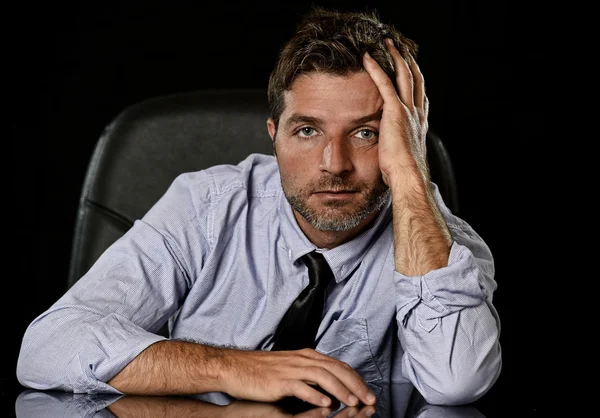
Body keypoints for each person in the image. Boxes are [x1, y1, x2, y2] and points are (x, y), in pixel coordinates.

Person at [16, 6, 501, 410]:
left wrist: (411, 179)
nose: (334, 164)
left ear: (404, 141)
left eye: (366, 133)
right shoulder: (206, 206)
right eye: (307, 131)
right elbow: (46, 348)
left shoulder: (442, 239)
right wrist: (234, 367)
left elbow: (458, 380)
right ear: (275, 136)